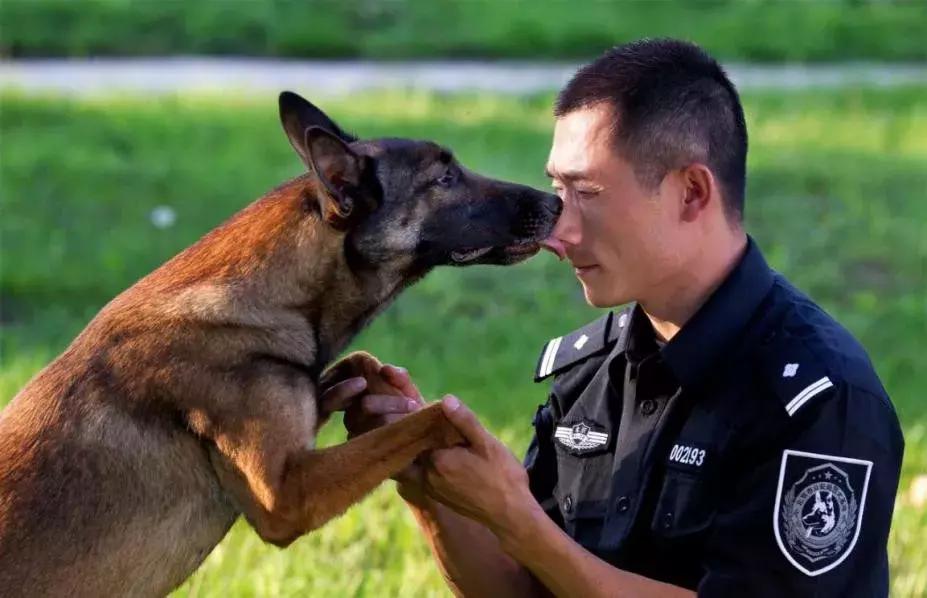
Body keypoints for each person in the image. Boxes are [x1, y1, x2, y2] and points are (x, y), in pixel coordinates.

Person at [320, 39, 903, 596]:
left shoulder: (820, 404)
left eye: (587, 194)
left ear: (692, 194)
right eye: (556, 190)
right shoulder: (590, 374)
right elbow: (523, 589)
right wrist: (432, 482)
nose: (558, 229)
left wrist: (522, 523)